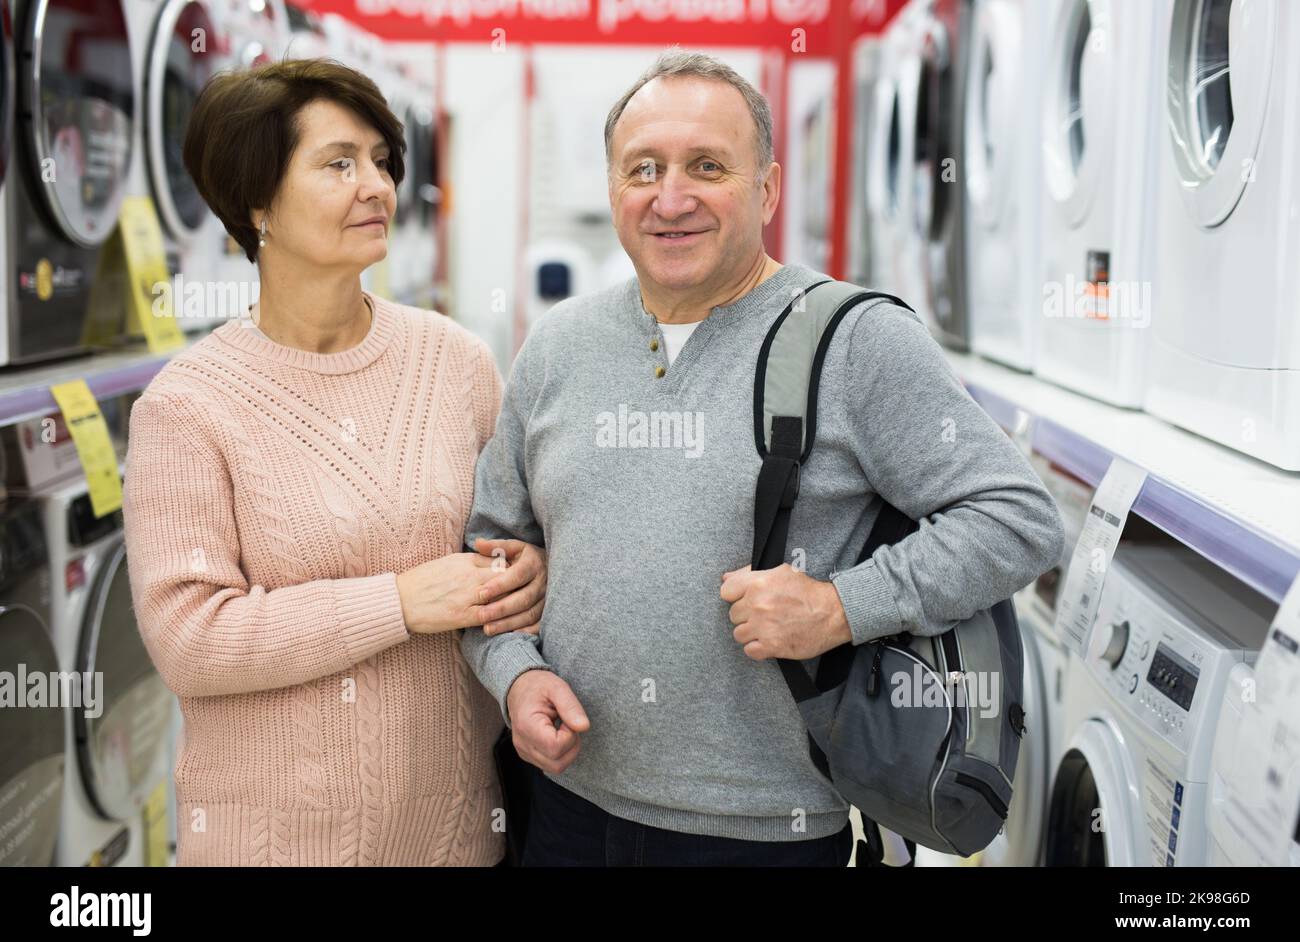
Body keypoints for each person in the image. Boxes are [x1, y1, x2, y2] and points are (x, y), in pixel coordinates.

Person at [462, 50, 1065, 867]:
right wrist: (514, 675)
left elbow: (1020, 520)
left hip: (767, 834)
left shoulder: (856, 342)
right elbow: (492, 548)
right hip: (566, 811)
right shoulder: (559, 345)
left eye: (707, 167)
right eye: (644, 169)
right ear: (613, 191)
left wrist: (841, 606)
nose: (671, 199)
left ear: (768, 190)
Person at [122, 59, 545, 866]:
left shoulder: (453, 360)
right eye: (338, 163)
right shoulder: (187, 406)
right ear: (256, 205)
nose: (377, 186)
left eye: (383, 160)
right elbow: (191, 639)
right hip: (274, 846)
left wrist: (530, 569)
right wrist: (400, 602)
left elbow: (510, 539)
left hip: (456, 834)